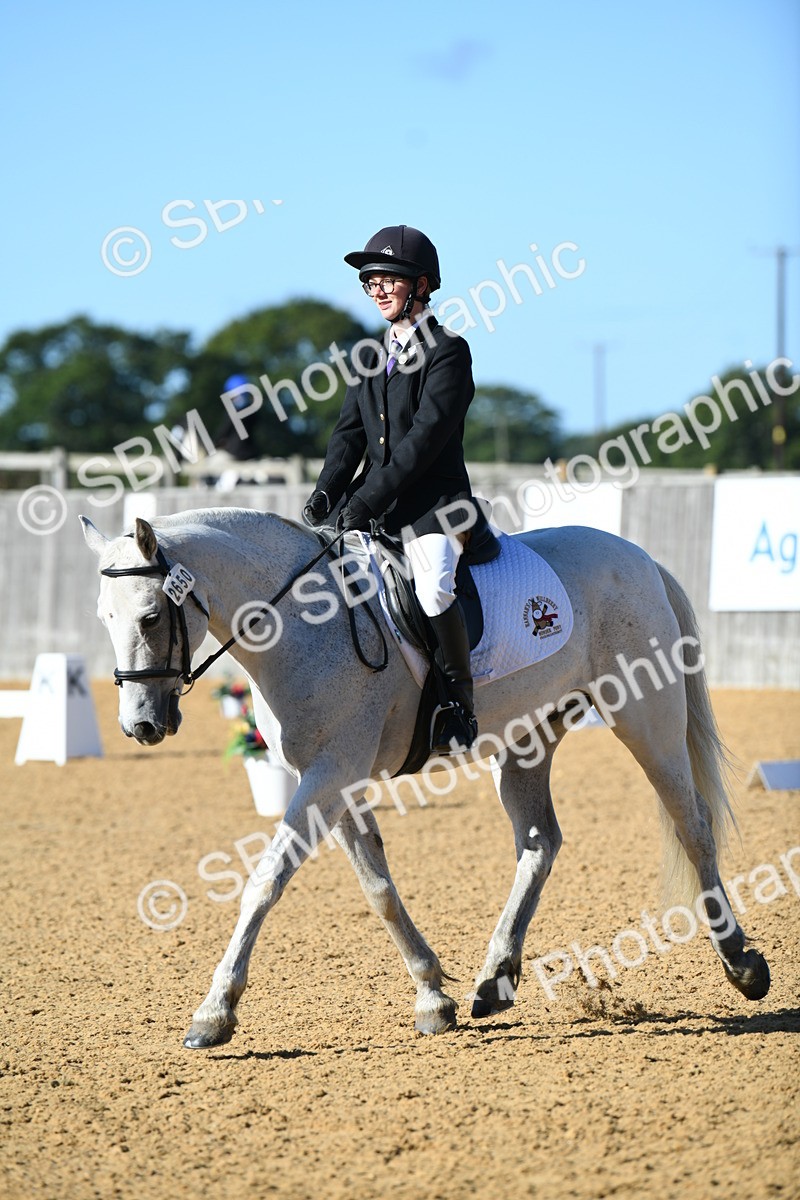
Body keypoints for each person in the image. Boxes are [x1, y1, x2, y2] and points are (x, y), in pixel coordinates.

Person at [303, 224, 486, 753]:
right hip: (375, 507)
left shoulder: (448, 352)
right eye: (371, 281)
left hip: (436, 508)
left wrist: (364, 500)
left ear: (422, 285)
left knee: (433, 588)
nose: (379, 288)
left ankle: (459, 704)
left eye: (390, 279)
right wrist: (325, 493)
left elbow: (423, 442)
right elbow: (349, 435)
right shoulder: (368, 355)